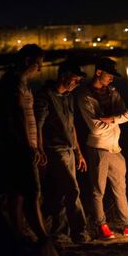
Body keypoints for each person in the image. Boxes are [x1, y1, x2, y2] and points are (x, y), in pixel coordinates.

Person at [77, 57, 128, 239]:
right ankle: (101, 225)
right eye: (109, 74)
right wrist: (116, 118)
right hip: (97, 148)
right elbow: (95, 127)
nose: (112, 78)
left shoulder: (112, 91)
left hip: (115, 148)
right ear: (99, 72)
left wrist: (111, 119)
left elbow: (127, 115)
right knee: (98, 190)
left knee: (120, 188)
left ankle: (127, 225)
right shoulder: (85, 95)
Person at [0, 44, 49, 244]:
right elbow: (18, 115)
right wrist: (29, 145)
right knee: (32, 191)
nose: (40, 69)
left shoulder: (22, 82)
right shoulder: (14, 81)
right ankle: (42, 239)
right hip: (19, 146)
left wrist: (38, 146)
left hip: (24, 145)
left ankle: (20, 236)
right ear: (28, 61)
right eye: (38, 64)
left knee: (17, 192)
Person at [35, 60, 90, 244]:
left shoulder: (68, 97)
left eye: (79, 81)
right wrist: (40, 150)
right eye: (74, 79)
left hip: (69, 151)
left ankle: (60, 233)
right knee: (72, 189)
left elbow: (72, 127)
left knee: (60, 192)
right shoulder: (45, 97)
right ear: (63, 76)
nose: (77, 83)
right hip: (54, 150)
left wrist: (78, 153)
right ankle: (80, 232)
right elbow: (38, 126)